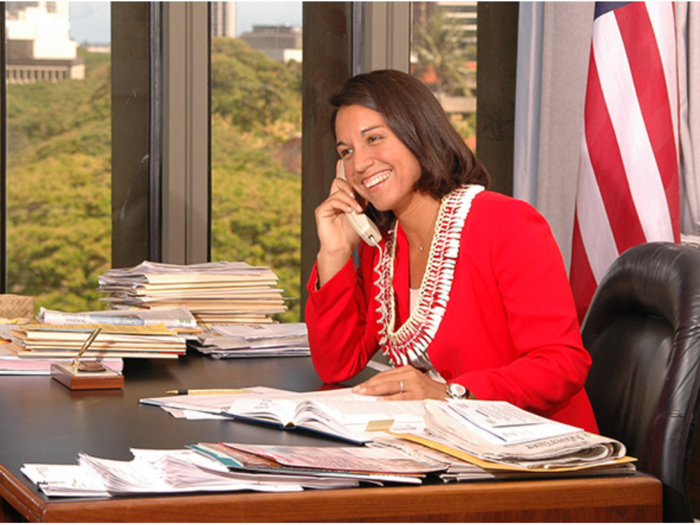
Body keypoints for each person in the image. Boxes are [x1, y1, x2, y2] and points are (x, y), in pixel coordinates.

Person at [305, 69, 598, 433]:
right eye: (346, 152)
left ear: (418, 134)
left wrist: (449, 393)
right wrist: (333, 253)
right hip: (445, 445)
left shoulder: (506, 223)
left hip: (529, 447)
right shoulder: (382, 247)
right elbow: (338, 365)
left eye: (374, 139)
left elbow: (561, 363)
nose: (360, 164)